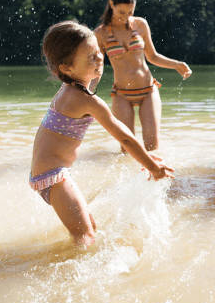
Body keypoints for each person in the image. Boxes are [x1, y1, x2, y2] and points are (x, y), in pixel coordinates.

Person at [30, 21, 175, 247]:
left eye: (99, 52)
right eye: (91, 58)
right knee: (85, 237)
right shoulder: (85, 100)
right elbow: (124, 137)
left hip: (46, 174)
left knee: (90, 228)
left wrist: (146, 160)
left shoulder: (68, 89)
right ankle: (72, 281)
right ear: (66, 68)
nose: (99, 59)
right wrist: (153, 167)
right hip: (55, 177)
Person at [94, 0, 192, 151]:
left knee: (152, 146)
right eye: (121, 12)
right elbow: (97, 67)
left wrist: (177, 64)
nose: (126, 17)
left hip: (148, 90)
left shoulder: (140, 25)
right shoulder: (100, 34)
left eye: (130, 12)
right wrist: (88, 91)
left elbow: (152, 56)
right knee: (127, 148)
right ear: (112, 4)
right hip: (122, 94)